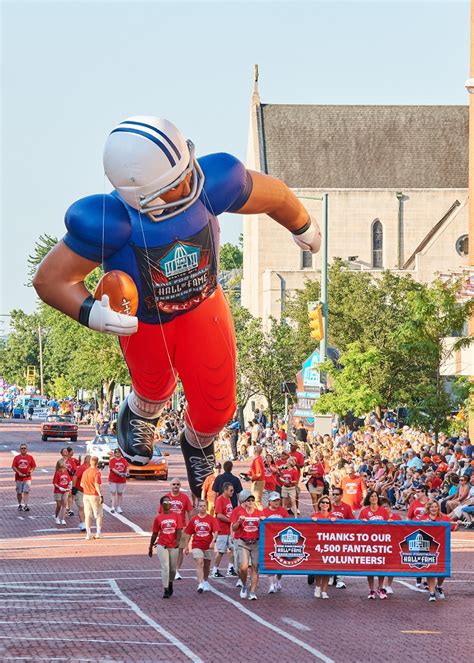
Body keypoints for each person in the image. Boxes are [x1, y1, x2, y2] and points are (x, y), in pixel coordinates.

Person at [33, 115, 320, 499]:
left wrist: (302, 224)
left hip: (203, 304)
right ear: (138, 194)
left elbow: (276, 194)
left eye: (186, 172)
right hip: (146, 317)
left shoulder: (214, 183)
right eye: (174, 184)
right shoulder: (112, 222)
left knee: (219, 404)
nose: (188, 183)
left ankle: (197, 443)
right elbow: (50, 279)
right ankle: (140, 412)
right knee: (153, 383)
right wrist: (90, 311)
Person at [419, 500, 457, 602]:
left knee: (442, 570)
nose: (434, 509)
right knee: (430, 569)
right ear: (428, 508)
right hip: (428, 548)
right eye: (432, 507)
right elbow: (416, 528)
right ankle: (431, 593)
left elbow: (453, 527)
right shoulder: (423, 518)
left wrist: (458, 524)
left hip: (442, 547)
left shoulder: (444, 517)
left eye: (435, 507)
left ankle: (438, 586)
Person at [231, 490, 263, 600]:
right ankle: (244, 585)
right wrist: (239, 522)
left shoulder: (259, 513)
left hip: (256, 542)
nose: (250, 502)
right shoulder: (237, 511)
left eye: (252, 500)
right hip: (243, 541)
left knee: (255, 567)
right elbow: (234, 528)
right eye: (248, 500)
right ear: (243, 502)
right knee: (243, 567)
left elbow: (266, 527)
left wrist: (262, 522)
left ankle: (253, 591)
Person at [158, 478, 193, 579]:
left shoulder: (185, 498)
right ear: (170, 486)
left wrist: (190, 525)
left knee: (180, 550)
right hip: (168, 528)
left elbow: (190, 511)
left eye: (178, 484)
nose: (176, 486)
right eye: (174, 484)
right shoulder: (166, 498)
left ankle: (176, 570)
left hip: (180, 527)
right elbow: (160, 513)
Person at [359, 491, 390, 599]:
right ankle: (371, 590)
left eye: (375, 496)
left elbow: (388, 525)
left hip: (381, 542)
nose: (374, 498)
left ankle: (380, 588)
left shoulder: (383, 511)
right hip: (369, 542)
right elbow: (358, 527)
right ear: (369, 498)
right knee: (370, 567)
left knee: (381, 566)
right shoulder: (364, 511)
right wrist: (362, 522)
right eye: (371, 496)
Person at [149, 495, 182, 598]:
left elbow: (179, 530)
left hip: (173, 544)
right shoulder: (158, 518)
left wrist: (177, 541)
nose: (168, 504)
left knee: (172, 569)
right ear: (162, 504)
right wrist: (150, 546)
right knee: (165, 567)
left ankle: (170, 582)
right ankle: (166, 588)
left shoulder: (176, 516)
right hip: (162, 544)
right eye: (165, 502)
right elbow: (154, 533)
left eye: (169, 502)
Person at [183, 499, 218, 593]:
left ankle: (205, 581)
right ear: (197, 507)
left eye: (204, 506)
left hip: (208, 545)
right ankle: (200, 583)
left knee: (207, 565)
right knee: (199, 562)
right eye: (201, 506)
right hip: (196, 544)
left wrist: (213, 542)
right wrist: (186, 546)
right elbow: (188, 533)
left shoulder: (211, 519)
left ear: (206, 507)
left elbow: (216, 531)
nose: (202, 507)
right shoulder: (194, 520)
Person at [311, 496, 338, 599]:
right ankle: (318, 587)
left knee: (327, 569)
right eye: (322, 502)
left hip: (329, 546)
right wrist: (312, 521)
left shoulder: (333, 516)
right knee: (318, 569)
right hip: (318, 546)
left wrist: (335, 521)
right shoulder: (315, 515)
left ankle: (324, 590)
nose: (325, 504)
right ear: (319, 504)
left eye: (327, 503)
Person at [262, 492, 288, 594]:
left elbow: (287, 524)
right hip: (268, 540)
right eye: (274, 500)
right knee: (269, 562)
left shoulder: (283, 511)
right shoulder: (264, 512)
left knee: (281, 563)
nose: (276, 502)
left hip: (280, 541)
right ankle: (271, 584)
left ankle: (278, 580)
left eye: (277, 500)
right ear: (269, 502)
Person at [212, 482, 237, 578]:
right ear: (225, 490)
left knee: (232, 549)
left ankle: (230, 568)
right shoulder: (220, 499)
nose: (232, 492)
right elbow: (218, 514)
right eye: (231, 490)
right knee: (221, 551)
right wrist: (230, 520)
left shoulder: (228, 499)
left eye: (233, 490)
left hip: (229, 530)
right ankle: (215, 569)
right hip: (221, 529)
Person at [81, 456, 104, 540]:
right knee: (98, 515)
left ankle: (88, 534)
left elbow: (81, 484)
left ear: (90, 462)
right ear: (97, 463)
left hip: (86, 495)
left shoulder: (85, 472)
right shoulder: (96, 472)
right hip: (94, 495)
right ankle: (98, 533)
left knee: (87, 515)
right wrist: (100, 495)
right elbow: (97, 485)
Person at [11, 444, 36, 511]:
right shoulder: (17, 458)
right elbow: (13, 466)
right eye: (22, 448)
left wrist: (30, 472)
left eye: (24, 448)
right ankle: (19, 504)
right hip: (19, 478)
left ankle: (26, 505)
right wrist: (19, 472)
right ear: (20, 450)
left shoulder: (30, 457)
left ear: (27, 449)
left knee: (26, 491)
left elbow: (33, 466)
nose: (23, 449)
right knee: (19, 492)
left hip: (27, 478)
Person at [72, 454, 90, 531]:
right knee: (81, 507)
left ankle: (84, 522)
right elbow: (75, 476)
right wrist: (74, 487)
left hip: (88, 492)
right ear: (86, 460)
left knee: (87, 508)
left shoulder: (91, 468)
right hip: (80, 490)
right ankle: (83, 523)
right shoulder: (82, 468)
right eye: (90, 459)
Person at [108, 447, 128, 513]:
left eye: (119, 452)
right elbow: (113, 469)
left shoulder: (124, 460)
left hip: (121, 480)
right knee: (113, 493)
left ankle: (119, 507)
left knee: (120, 493)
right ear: (114, 453)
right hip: (113, 479)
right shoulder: (112, 460)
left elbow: (126, 467)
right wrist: (119, 473)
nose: (117, 453)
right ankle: (112, 507)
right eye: (116, 452)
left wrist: (126, 473)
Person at [52, 459, 72, 525]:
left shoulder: (66, 471)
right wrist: (60, 487)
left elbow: (69, 480)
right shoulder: (57, 473)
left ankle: (63, 519)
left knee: (64, 504)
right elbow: (54, 483)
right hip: (58, 491)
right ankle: (57, 516)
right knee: (59, 505)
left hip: (65, 490)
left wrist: (69, 484)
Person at [65, 447, 80, 516]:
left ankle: (70, 509)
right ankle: (65, 508)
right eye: (72, 451)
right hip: (64, 480)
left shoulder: (72, 460)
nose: (73, 453)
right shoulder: (62, 461)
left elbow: (75, 470)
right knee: (65, 495)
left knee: (70, 495)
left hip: (70, 480)